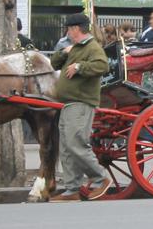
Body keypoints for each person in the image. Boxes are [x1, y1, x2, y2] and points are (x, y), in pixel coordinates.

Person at [49, 13, 112, 201]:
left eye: (68, 28)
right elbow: (53, 63)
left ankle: (100, 178)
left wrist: (79, 67)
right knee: (67, 146)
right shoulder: (75, 47)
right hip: (69, 103)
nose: (67, 32)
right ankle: (72, 189)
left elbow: (102, 66)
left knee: (75, 142)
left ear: (76, 29)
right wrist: (65, 53)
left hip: (81, 102)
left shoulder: (92, 47)